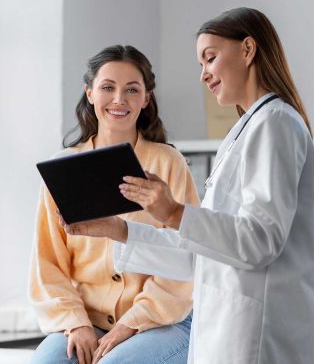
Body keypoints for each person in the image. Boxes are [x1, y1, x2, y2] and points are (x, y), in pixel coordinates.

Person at [61, 8, 314, 364]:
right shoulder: (245, 131)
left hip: (260, 334)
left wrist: (174, 212)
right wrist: (118, 230)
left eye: (210, 58)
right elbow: (201, 255)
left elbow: (260, 242)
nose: (203, 75)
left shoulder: (275, 124)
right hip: (227, 328)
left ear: (247, 50)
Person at [29, 45, 200, 364]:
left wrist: (129, 325)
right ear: (90, 92)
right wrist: (75, 323)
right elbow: (47, 263)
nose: (119, 99)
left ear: (146, 98)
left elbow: (187, 259)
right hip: (85, 320)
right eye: (108, 87)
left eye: (131, 89)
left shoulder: (169, 164)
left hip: (163, 321)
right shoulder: (62, 169)